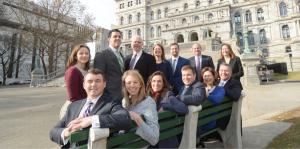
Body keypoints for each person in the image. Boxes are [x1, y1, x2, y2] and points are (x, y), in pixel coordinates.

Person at [50, 69, 131, 148]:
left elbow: (124, 119)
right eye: (90, 81)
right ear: (84, 85)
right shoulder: (73, 106)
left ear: (104, 84)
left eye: (97, 81)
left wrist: (91, 120)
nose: (93, 84)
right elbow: (53, 132)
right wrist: (67, 132)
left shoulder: (111, 103)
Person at [146, 71, 188, 148]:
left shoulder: (168, 95)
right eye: (154, 81)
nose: (156, 83)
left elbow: (184, 109)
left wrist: (165, 106)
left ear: (163, 83)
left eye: (159, 81)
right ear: (150, 83)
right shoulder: (147, 96)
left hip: (166, 139)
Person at [122, 70, 159, 146]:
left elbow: (155, 138)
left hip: (136, 145)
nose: (132, 85)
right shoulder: (124, 101)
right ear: (125, 85)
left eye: (135, 82)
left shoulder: (148, 102)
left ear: (140, 85)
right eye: (129, 83)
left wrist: (138, 119)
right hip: (123, 142)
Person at [60, 44, 90, 119]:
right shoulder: (72, 71)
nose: (84, 55)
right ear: (75, 56)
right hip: (74, 109)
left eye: (86, 53)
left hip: (85, 107)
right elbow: (73, 97)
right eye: (81, 53)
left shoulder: (88, 71)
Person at [94, 29, 124, 100]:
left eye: (119, 37)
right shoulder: (101, 55)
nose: (118, 38)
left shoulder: (121, 55)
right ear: (109, 39)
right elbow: (98, 77)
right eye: (115, 36)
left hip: (121, 95)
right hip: (108, 96)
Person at [217, 63, 243, 130]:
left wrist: (221, 88)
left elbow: (236, 96)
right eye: (221, 70)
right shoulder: (215, 82)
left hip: (224, 116)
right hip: (214, 113)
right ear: (218, 71)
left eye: (226, 71)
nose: (223, 72)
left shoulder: (235, 82)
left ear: (231, 72)